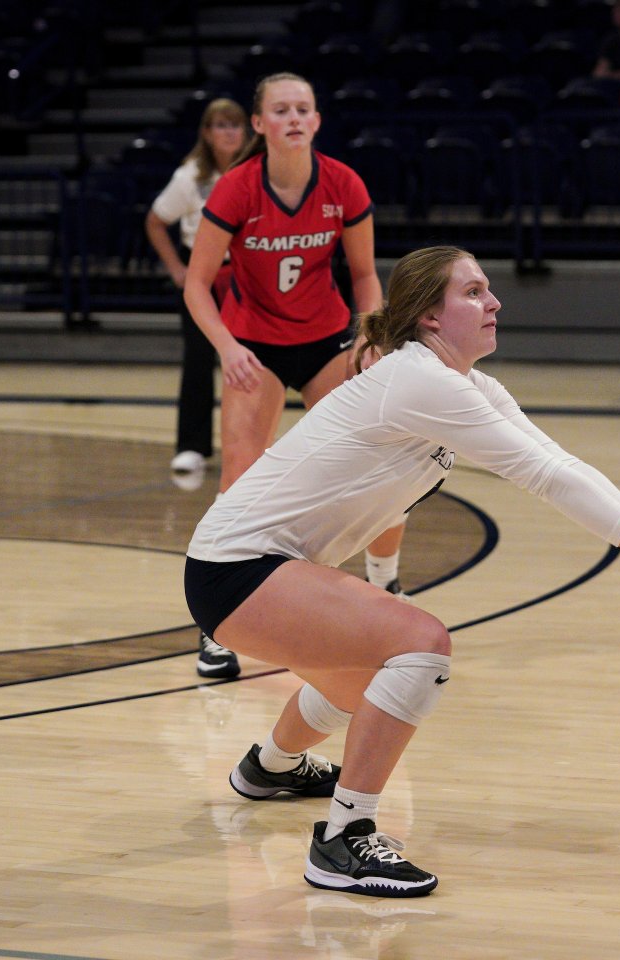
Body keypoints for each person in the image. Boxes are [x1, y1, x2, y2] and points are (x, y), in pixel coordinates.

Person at [183, 245, 620, 897]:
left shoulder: (467, 386)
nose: (494, 303)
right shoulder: (417, 380)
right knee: (418, 644)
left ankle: (271, 767)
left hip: (257, 566)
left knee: (360, 682)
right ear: (431, 317)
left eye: (488, 291)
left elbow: (557, 460)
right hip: (235, 566)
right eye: (474, 292)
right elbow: (545, 476)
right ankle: (345, 839)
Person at [183, 71, 407, 681]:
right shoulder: (235, 189)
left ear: (316, 119)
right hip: (253, 342)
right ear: (259, 123)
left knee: (374, 465)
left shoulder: (342, 183)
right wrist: (226, 347)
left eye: (303, 109)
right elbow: (196, 283)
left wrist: (369, 333)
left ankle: (387, 585)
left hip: (328, 338)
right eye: (280, 110)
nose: (293, 119)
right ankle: (215, 629)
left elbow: (363, 275)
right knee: (239, 479)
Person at [145, 98, 248, 484]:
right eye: (221, 125)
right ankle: (192, 447)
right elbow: (155, 221)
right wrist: (176, 269)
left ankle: (248, 447)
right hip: (204, 276)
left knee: (253, 361)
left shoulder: (255, 172)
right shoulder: (190, 176)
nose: (229, 133)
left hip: (246, 275)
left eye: (235, 125)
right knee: (199, 358)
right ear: (207, 133)